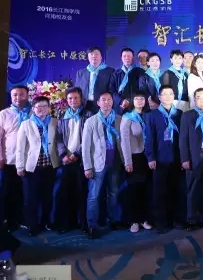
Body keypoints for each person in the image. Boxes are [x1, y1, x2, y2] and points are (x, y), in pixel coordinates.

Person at [82, 92, 132, 239]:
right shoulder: (91, 121)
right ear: (98, 103)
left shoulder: (120, 119)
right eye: (103, 100)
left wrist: (127, 162)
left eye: (109, 100)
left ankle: (113, 220)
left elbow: (125, 142)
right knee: (94, 195)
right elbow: (85, 146)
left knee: (113, 193)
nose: (106, 102)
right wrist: (87, 166)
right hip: (97, 164)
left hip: (115, 162)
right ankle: (92, 225)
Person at [16, 96, 59, 236]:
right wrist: (20, 166)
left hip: (50, 166)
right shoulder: (26, 124)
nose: (41, 109)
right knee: (30, 198)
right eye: (38, 107)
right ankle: (32, 225)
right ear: (33, 109)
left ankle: (46, 221)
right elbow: (20, 147)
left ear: (49, 108)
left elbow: (58, 143)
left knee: (47, 197)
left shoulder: (55, 122)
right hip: (31, 168)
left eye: (44, 106)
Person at [145, 84, 184, 233]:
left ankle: (176, 220)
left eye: (171, 94)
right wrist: (151, 157)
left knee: (176, 190)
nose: (168, 97)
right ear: (159, 97)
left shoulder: (179, 114)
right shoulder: (152, 115)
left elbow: (184, 137)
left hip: (176, 158)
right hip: (160, 158)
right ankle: (161, 223)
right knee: (160, 192)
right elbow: (149, 138)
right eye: (164, 94)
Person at [0, 85, 31, 231]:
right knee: (8, 191)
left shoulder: (35, 111)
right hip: (10, 159)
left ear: (27, 95)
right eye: (15, 95)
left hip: (30, 160)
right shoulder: (4, 114)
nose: (18, 98)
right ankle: (9, 221)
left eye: (21, 94)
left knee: (26, 192)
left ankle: (25, 219)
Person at [179, 87, 203, 231]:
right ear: (194, 100)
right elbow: (183, 139)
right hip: (194, 156)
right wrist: (184, 159)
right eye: (199, 98)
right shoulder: (187, 115)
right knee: (193, 189)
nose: (202, 101)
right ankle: (192, 220)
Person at [55, 87, 91, 233]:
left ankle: (83, 224)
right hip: (66, 160)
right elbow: (58, 138)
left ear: (81, 99)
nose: (73, 101)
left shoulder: (88, 115)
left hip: (81, 160)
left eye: (76, 98)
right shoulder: (63, 115)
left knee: (81, 192)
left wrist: (77, 154)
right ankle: (67, 223)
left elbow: (89, 138)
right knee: (66, 193)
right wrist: (63, 155)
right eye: (70, 98)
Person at [121, 91, 153, 233]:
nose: (140, 101)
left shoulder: (148, 115)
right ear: (132, 101)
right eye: (137, 99)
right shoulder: (128, 117)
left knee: (146, 189)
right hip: (134, 157)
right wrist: (128, 162)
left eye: (142, 98)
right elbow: (124, 142)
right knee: (134, 190)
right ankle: (134, 220)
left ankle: (144, 219)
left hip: (147, 157)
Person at [75, 46, 115, 114]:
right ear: (88, 57)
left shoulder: (110, 71)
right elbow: (77, 90)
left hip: (101, 106)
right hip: (84, 105)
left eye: (96, 54)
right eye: (91, 54)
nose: (94, 56)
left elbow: (112, 90)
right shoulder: (81, 73)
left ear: (101, 57)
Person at [109, 47, 146, 114]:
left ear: (133, 58)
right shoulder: (115, 73)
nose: (127, 58)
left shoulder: (140, 72)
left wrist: (129, 101)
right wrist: (121, 101)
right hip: (119, 107)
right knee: (118, 121)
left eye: (129, 56)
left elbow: (142, 89)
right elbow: (111, 90)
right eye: (124, 56)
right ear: (121, 58)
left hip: (135, 106)